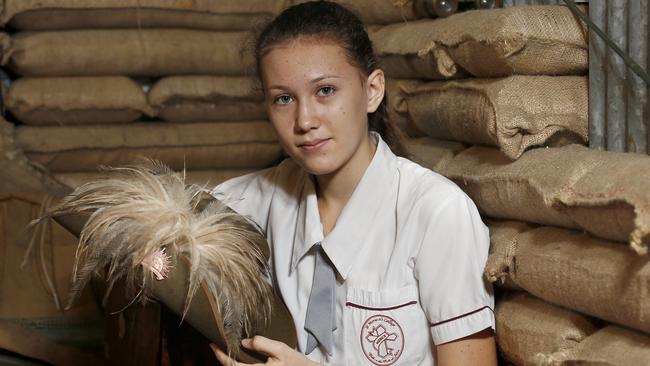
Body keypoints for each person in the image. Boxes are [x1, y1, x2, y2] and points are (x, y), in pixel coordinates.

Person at [210, 1, 496, 365]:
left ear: (372, 90)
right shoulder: (256, 200)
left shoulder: (437, 213)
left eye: (325, 91)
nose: (305, 120)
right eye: (283, 99)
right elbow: (164, 223)